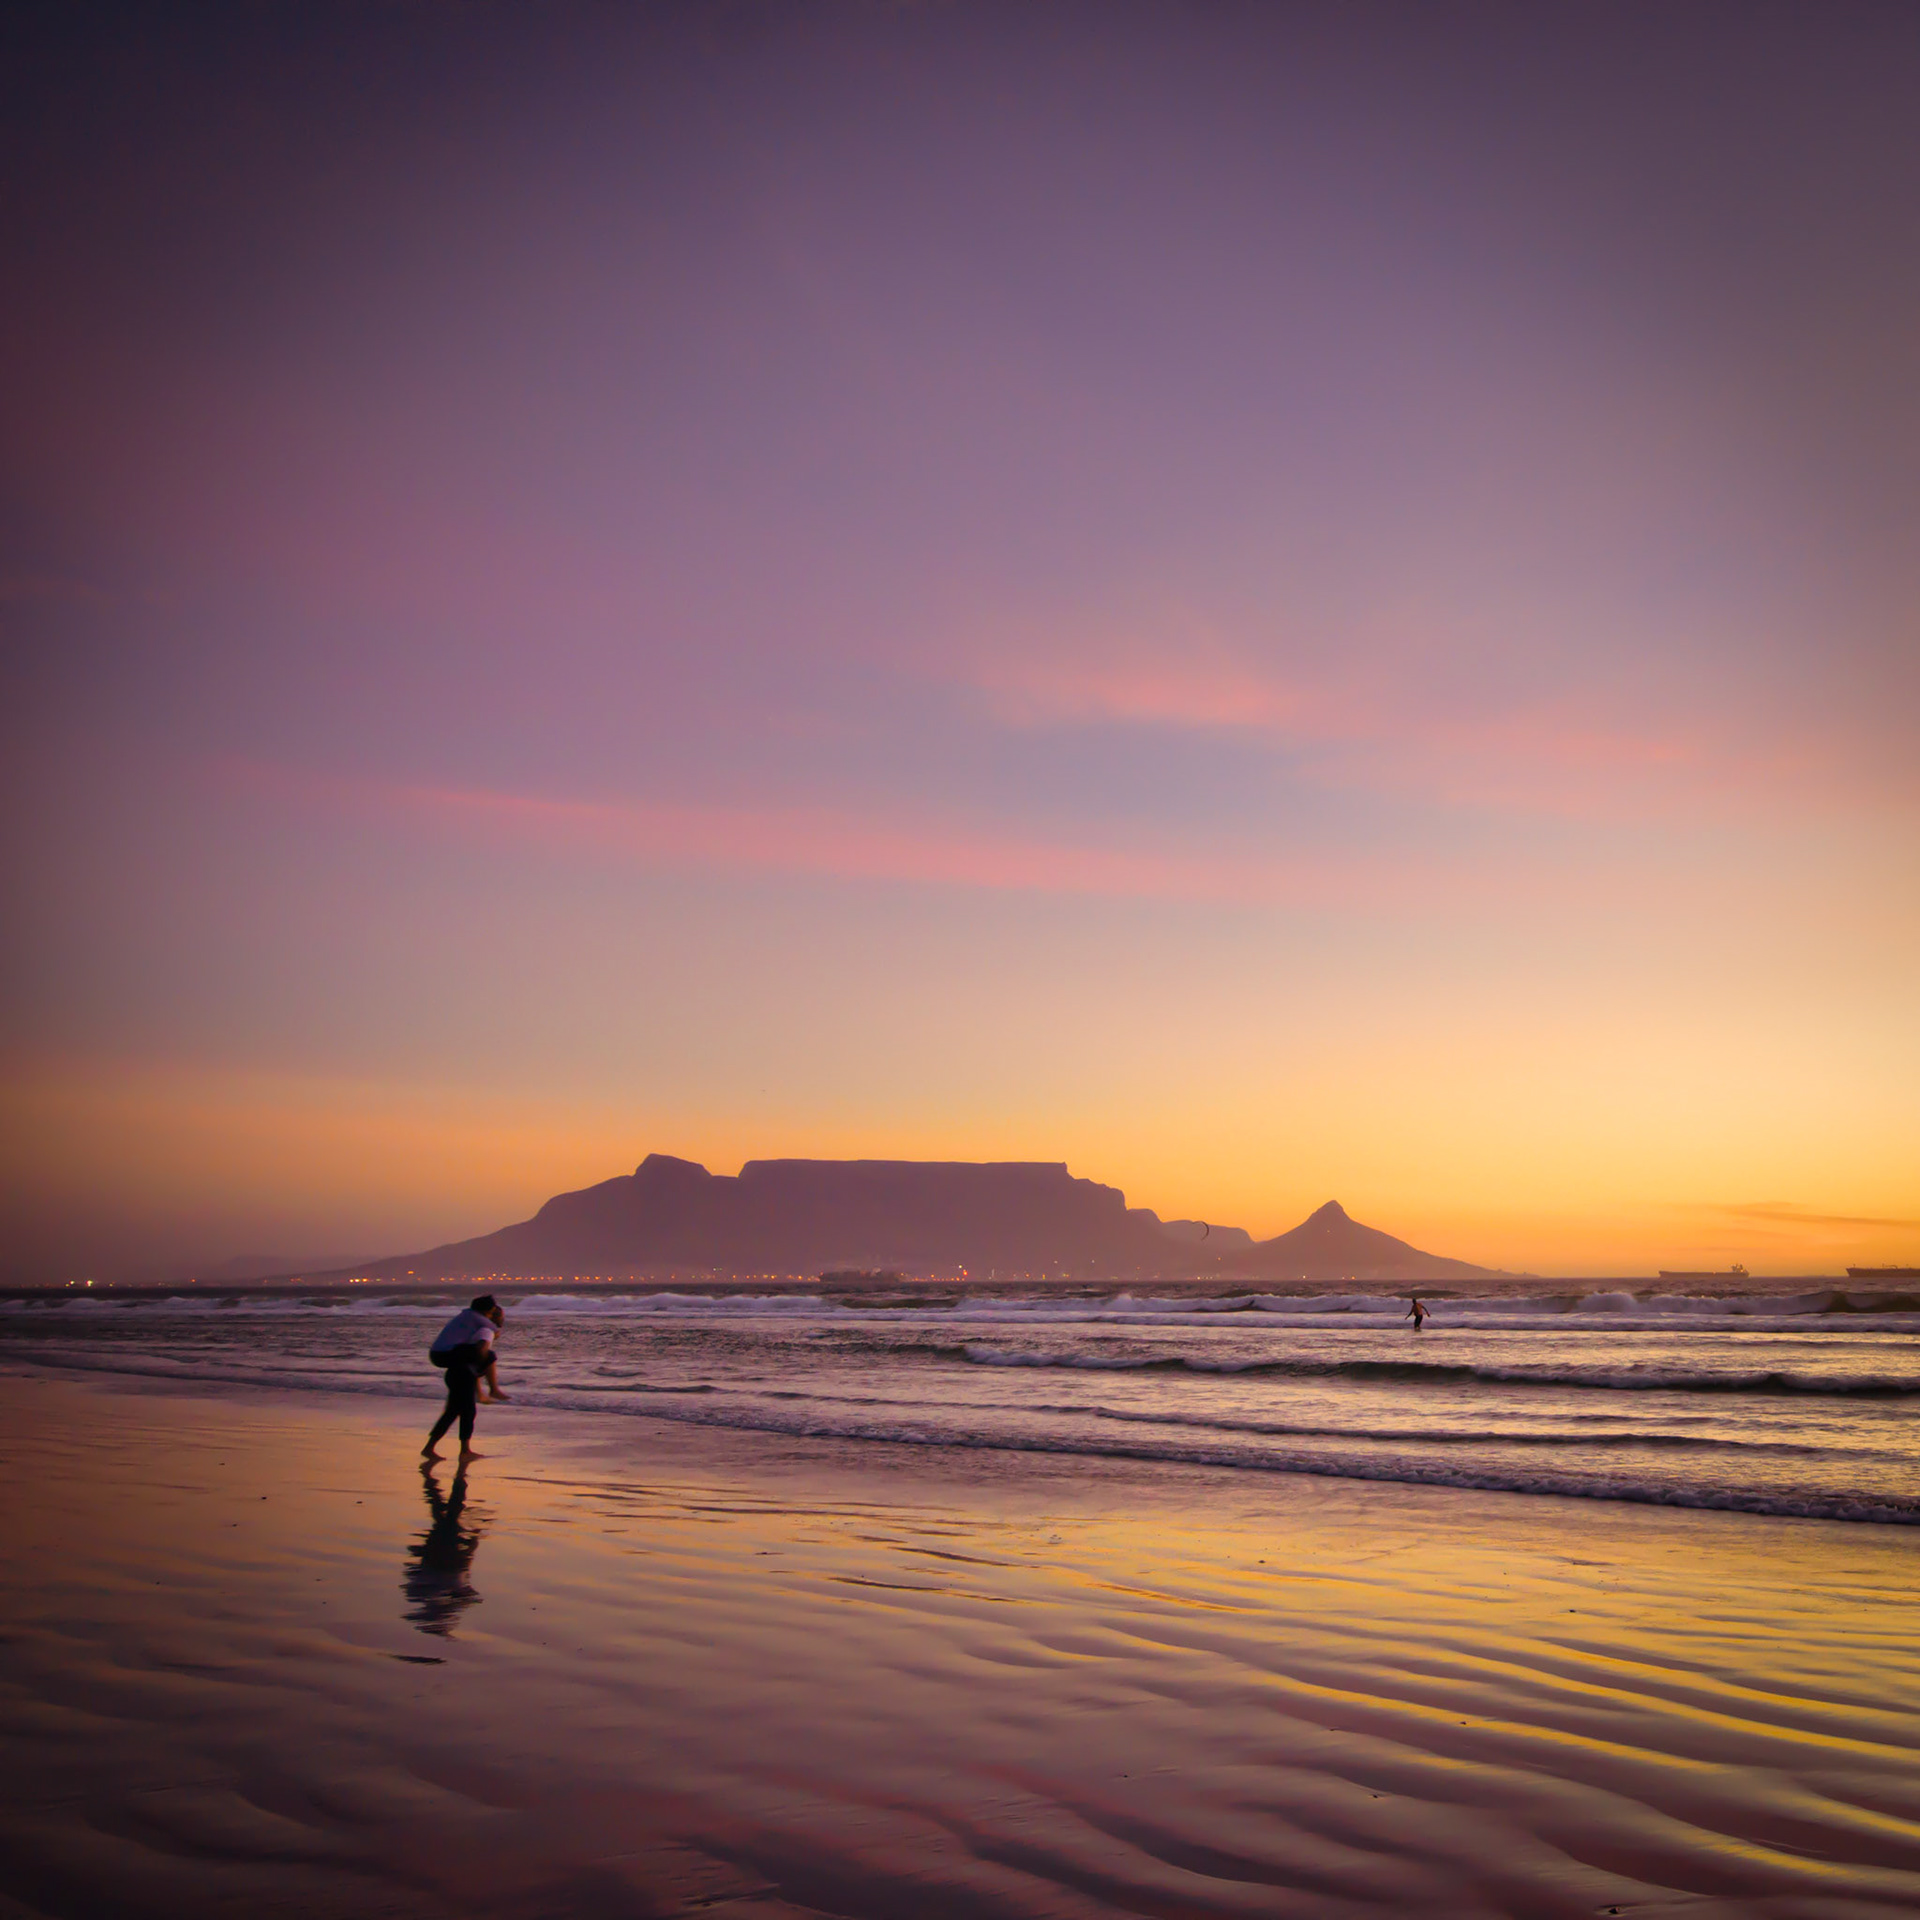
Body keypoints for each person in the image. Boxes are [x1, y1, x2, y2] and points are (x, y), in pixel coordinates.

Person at [423, 1295, 506, 1459]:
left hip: (452, 1366)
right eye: (497, 1313)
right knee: (468, 1410)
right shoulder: (485, 1328)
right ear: (489, 1312)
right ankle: (465, 1451)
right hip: (459, 1371)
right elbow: (485, 1345)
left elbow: (473, 1356)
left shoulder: (468, 1320)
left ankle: (430, 1448)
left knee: (452, 1411)